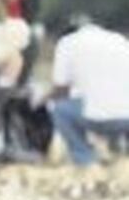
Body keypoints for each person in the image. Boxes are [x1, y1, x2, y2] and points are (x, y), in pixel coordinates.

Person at [46, 16, 129, 167]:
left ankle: (84, 158)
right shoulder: (120, 40)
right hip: (126, 117)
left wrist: (41, 100)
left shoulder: (67, 43)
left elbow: (60, 88)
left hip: (97, 118)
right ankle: (121, 155)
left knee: (59, 109)